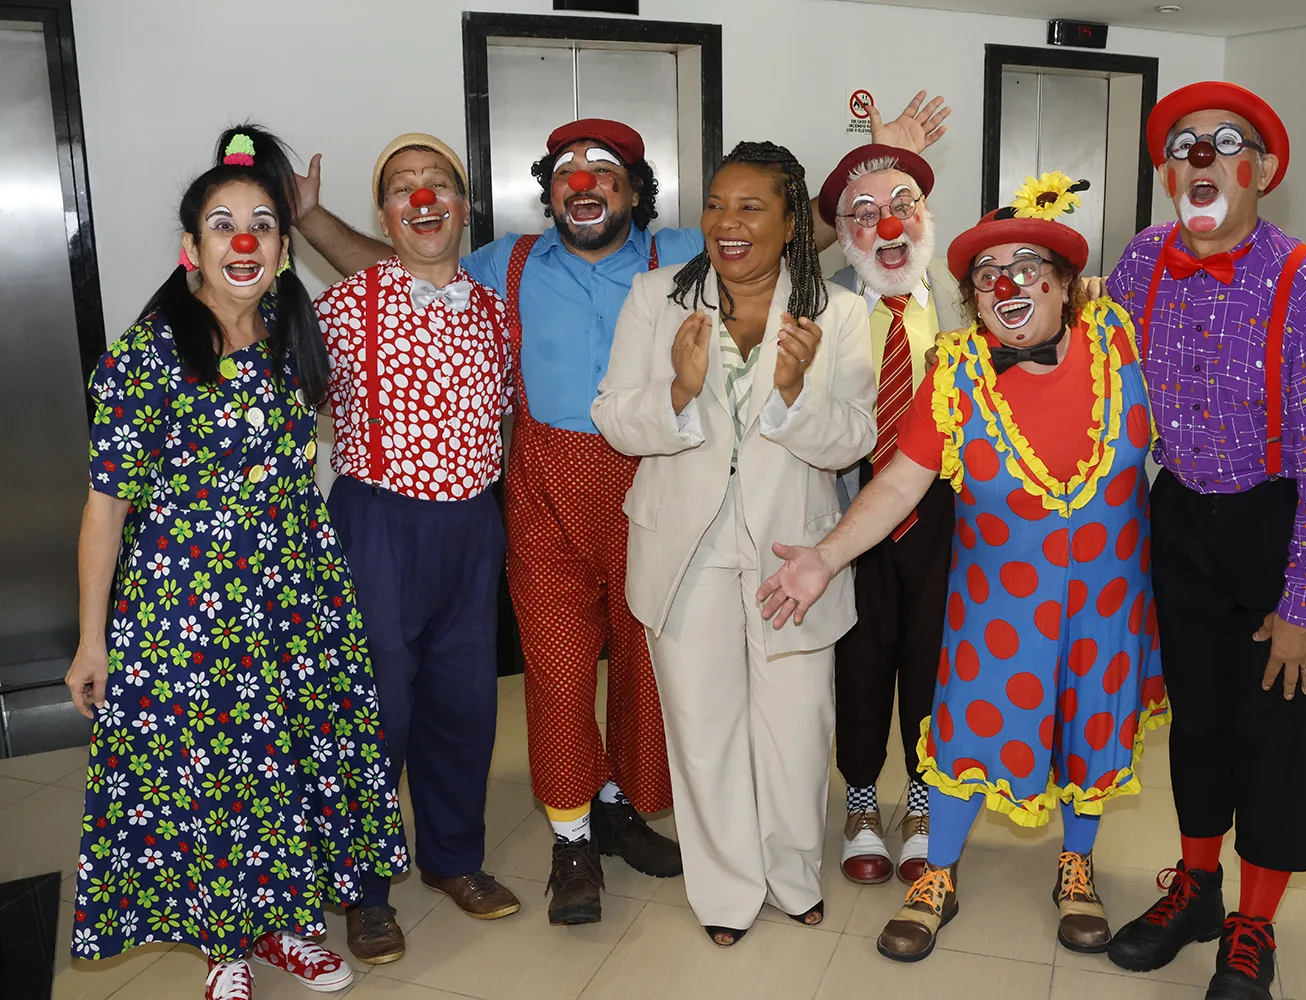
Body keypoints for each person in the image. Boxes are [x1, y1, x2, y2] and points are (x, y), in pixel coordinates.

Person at [292, 93, 949, 925]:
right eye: (567, 174)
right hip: (553, 492)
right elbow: (403, 257)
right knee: (564, 678)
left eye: (604, 172)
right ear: (549, 192)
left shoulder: (681, 254)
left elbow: (792, 234)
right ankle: (573, 839)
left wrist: (872, 163)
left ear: (636, 191)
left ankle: (629, 810)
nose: (584, 186)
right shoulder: (509, 263)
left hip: (660, 503)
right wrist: (312, 222)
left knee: (656, 687)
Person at [759, 173, 1167, 961]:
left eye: (1024, 266)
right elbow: (900, 482)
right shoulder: (954, 372)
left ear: (1065, 283)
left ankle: (1075, 868)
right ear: (972, 298)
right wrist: (825, 556)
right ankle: (936, 875)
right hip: (998, 609)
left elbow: (1215, 350)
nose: (1005, 285)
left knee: (1093, 724)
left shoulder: (1122, 337)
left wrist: (1305, 341)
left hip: (1109, 604)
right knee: (965, 731)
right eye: (984, 275)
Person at [64, 125, 406, 1000]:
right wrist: (90, 639)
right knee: (208, 774)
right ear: (192, 249)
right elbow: (105, 509)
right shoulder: (148, 359)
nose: (243, 239)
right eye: (222, 224)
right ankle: (224, 945)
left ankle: (286, 926)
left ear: (285, 251)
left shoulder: (293, 346)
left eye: (261, 222)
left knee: (288, 761)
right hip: (187, 615)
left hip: (295, 603)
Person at [1099, 82, 1306, 1000]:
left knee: (1272, 735)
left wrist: (1305, 608)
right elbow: (1102, 370)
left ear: (1265, 172)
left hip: (1287, 530)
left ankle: (1255, 927)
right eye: (1185, 143)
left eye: (1226, 141)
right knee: (1199, 725)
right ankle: (1199, 890)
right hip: (1185, 521)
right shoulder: (1139, 261)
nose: (1202, 155)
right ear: (1169, 171)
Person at [592, 141, 876, 946]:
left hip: (795, 554)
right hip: (685, 546)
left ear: (791, 223)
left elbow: (852, 439)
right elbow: (615, 416)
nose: (726, 222)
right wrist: (678, 390)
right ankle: (724, 891)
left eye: (751, 206)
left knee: (796, 726)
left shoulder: (842, 313)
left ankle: (791, 875)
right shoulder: (656, 297)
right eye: (716, 204)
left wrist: (790, 397)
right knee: (704, 726)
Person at [311, 133, 521, 963]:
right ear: (386, 214)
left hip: (472, 527)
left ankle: (452, 859)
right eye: (404, 186)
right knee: (374, 711)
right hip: (378, 527)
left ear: (464, 209)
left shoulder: (495, 308)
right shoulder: (340, 306)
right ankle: (363, 891)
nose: (423, 198)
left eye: (440, 184)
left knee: (465, 705)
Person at [817, 143, 968, 886]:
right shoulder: (821, 305)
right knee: (863, 659)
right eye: (865, 212)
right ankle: (862, 800)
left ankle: (922, 801)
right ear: (843, 233)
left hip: (948, 512)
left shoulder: (972, 298)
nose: (887, 225)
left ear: (927, 217)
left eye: (902, 204)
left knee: (934, 658)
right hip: (852, 507)